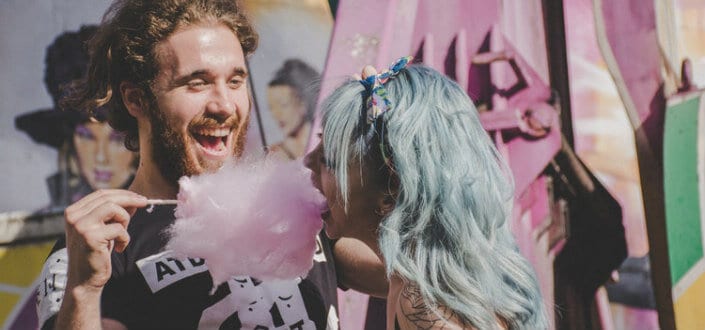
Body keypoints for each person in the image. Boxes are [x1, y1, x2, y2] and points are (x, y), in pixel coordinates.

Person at [35, 1, 385, 329]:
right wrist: (83, 292)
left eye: (235, 81)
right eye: (197, 83)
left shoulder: (296, 204)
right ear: (135, 98)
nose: (224, 105)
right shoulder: (100, 245)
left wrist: (392, 148)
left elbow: (416, 279)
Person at [305, 57, 548, 329]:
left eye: (329, 160)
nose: (308, 162)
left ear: (392, 189)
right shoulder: (430, 277)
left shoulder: (427, 312)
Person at [15, 25, 137, 210]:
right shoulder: (48, 224)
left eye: (117, 140)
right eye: (87, 137)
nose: (101, 158)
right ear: (71, 142)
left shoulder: (171, 214)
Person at [266, 58, 320, 159]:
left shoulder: (327, 148)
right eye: (271, 108)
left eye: (283, 105)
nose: (276, 114)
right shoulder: (273, 157)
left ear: (303, 103)